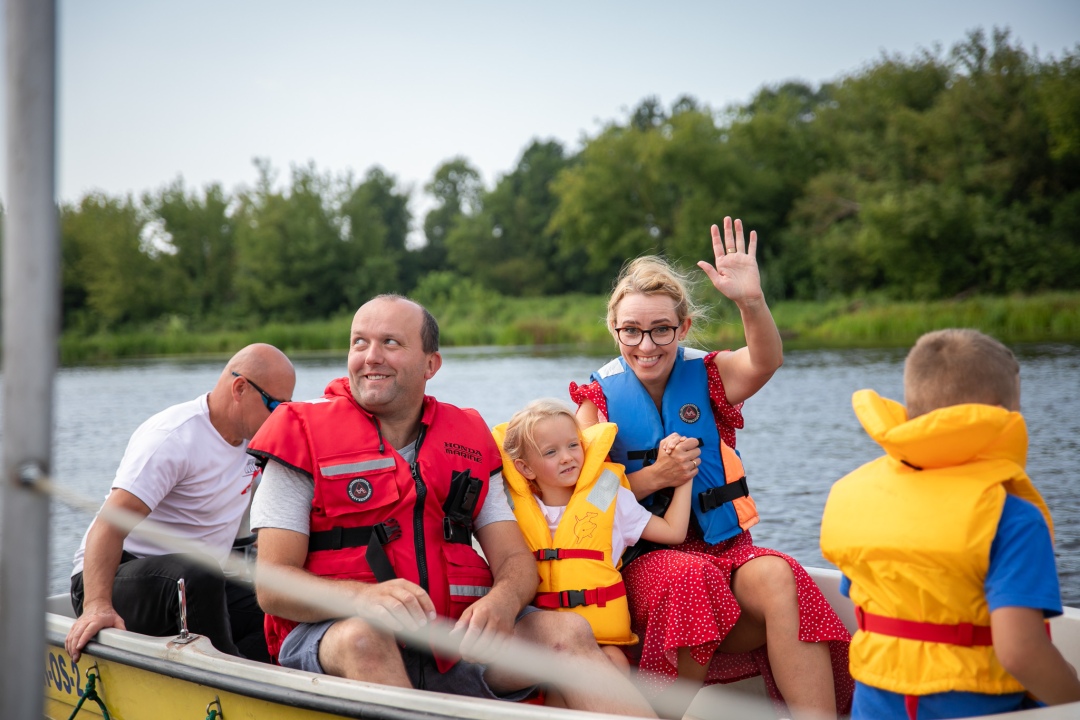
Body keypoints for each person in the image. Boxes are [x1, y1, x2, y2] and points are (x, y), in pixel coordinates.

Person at [247, 294, 656, 717]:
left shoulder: (469, 440)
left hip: (455, 640)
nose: (370, 357)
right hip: (336, 640)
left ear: (431, 365)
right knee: (363, 637)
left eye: (390, 343)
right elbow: (272, 586)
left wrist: (502, 602)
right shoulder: (300, 434)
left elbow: (515, 560)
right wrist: (361, 598)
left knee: (567, 631)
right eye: (359, 343)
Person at [570, 217, 853, 718]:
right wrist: (654, 477)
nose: (646, 344)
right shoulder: (596, 402)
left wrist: (750, 301)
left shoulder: (710, 375)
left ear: (682, 327)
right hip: (642, 561)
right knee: (688, 574)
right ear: (614, 330)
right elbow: (580, 501)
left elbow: (765, 361)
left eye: (661, 329)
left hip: (724, 548)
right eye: (631, 330)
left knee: (779, 575)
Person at [820, 328, 1080, 719]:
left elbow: (862, 601)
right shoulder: (1011, 516)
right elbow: (1020, 652)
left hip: (875, 706)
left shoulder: (852, 495)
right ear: (1001, 414)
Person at [65, 343, 296, 664]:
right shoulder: (173, 437)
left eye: (287, 408)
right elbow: (108, 527)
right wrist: (96, 605)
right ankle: (227, 678)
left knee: (281, 606)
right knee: (200, 574)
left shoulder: (255, 441)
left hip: (197, 584)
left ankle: (250, 673)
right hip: (112, 579)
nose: (280, 418)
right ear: (240, 388)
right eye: (275, 405)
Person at [494, 398, 692, 672]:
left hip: (600, 637)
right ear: (525, 468)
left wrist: (686, 476)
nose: (567, 457)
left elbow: (674, 532)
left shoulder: (607, 496)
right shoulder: (509, 509)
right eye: (550, 452)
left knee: (614, 664)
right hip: (540, 635)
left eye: (573, 445)